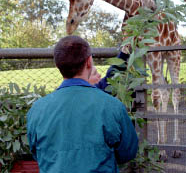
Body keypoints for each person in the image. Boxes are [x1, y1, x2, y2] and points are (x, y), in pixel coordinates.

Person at [27, 36, 138, 173]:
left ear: (57, 65)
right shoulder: (112, 106)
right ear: (89, 62)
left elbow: (37, 153)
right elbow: (128, 152)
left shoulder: (37, 110)